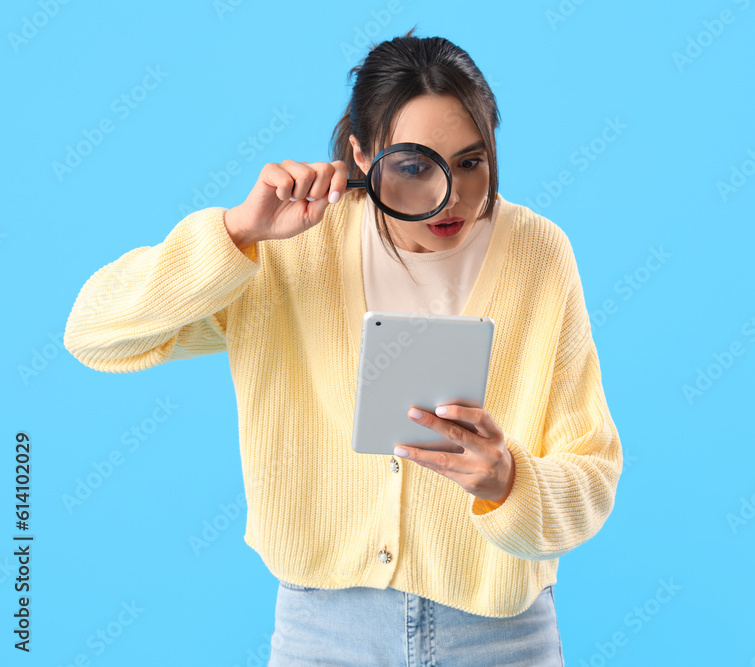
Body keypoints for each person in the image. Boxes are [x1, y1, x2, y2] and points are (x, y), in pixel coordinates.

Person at [64, 29, 622, 666]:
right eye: (414, 166)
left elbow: (594, 472)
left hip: (500, 636)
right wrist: (236, 233)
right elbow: (94, 333)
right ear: (362, 155)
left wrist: (510, 481)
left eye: (471, 162)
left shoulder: (539, 255)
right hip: (324, 632)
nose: (452, 198)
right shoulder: (286, 249)